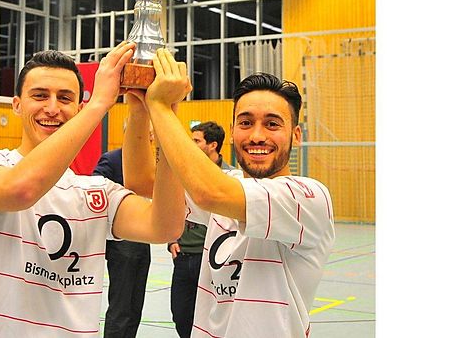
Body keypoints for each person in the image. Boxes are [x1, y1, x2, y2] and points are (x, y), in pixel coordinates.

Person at [0, 44, 186, 338]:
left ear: (77, 109)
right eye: (40, 95)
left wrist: (160, 114)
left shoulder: (95, 192)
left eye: (65, 98)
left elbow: (166, 226)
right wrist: (99, 105)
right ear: (16, 105)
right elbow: (20, 190)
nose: (53, 108)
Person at [143, 49, 336, 338]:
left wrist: (159, 106)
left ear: (296, 135)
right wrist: (141, 108)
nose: (257, 135)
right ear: (232, 132)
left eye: (272, 124)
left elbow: (209, 192)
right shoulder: (226, 183)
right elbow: (143, 182)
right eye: (246, 123)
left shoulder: (307, 198)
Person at [167, 121, 231, 338]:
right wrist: (172, 239)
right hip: (185, 257)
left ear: (212, 145)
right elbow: (174, 206)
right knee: (181, 314)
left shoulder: (232, 178)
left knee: (216, 315)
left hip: (215, 260)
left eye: (196, 141)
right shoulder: (185, 175)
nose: (190, 144)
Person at [92, 123, 155, 338]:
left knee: (135, 304)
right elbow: (95, 187)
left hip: (143, 238)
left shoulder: (150, 162)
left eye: (149, 135)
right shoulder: (112, 159)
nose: (147, 139)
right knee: (121, 305)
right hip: (121, 240)